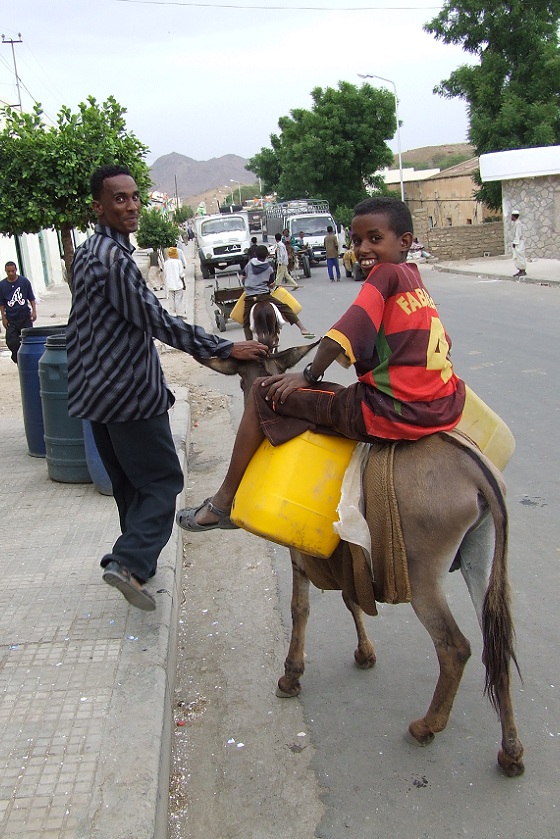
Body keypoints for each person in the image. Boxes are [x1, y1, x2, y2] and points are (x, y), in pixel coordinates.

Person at [177, 196, 466, 532]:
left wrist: (309, 374)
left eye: (375, 239)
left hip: (392, 412)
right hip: (446, 405)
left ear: (404, 242)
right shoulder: (414, 278)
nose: (363, 249)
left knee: (260, 390)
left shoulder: (385, 276)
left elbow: (341, 333)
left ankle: (224, 503)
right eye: (357, 241)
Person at [66, 164, 268, 611]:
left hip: (95, 392)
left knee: (131, 485)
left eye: (135, 196)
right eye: (119, 199)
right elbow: (156, 321)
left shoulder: (86, 252)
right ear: (98, 207)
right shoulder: (114, 260)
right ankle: (129, 563)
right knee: (161, 480)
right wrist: (224, 347)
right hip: (128, 390)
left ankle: (137, 566)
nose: (132, 205)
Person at [240, 244, 314, 341]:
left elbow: (243, 278)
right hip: (264, 296)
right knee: (285, 308)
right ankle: (302, 328)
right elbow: (270, 284)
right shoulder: (269, 268)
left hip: (250, 298)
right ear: (267, 255)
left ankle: (249, 342)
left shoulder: (249, 265)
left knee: (246, 323)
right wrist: (272, 284)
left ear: (255, 254)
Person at [0, 261, 37, 364]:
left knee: (28, 339)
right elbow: (2, 303)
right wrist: (3, 317)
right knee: (11, 341)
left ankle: (29, 360)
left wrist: (34, 311)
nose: (11, 273)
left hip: (24, 316)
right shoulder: (2, 285)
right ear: (6, 272)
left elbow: (31, 298)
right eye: (8, 271)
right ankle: (18, 359)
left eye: (12, 271)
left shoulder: (24, 282)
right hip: (11, 318)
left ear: (16, 270)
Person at [163, 246, 185, 314]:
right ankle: (179, 313)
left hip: (169, 285)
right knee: (178, 300)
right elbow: (181, 274)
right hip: (178, 284)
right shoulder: (178, 262)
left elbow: (165, 274)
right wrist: (184, 284)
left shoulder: (166, 263)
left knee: (171, 301)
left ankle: (172, 314)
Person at [511, 211, 526, 278]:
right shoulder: (515, 223)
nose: (511, 217)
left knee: (520, 257)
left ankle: (523, 270)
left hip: (519, 243)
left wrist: (515, 242)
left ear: (514, 216)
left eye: (512, 216)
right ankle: (520, 270)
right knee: (517, 257)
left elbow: (518, 234)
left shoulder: (518, 224)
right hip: (517, 242)